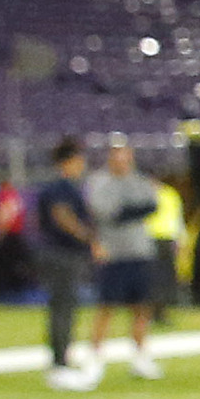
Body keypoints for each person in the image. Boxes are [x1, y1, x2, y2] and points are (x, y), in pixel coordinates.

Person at [79, 136, 167, 382]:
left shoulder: (138, 180)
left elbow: (151, 205)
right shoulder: (100, 181)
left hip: (139, 251)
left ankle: (140, 358)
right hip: (113, 253)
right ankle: (95, 359)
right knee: (106, 307)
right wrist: (132, 209)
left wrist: (129, 210)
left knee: (142, 307)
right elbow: (107, 212)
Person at [30, 138, 100, 390]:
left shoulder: (63, 187)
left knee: (65, 306)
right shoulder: (60, 188)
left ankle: (62, 359)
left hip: (60, 253)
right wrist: (89, 237)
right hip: (61, 254)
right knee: (63, 307)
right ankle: (59, 363)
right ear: (68, 161)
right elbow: (62, 217)